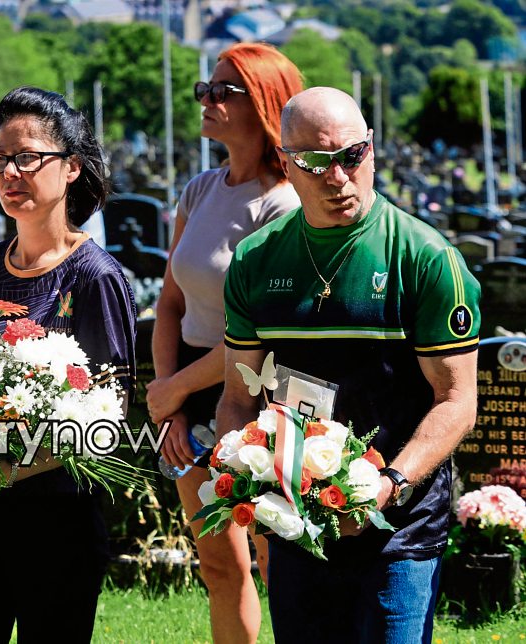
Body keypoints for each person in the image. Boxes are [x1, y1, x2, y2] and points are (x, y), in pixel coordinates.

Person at [219, 87, 480, 643]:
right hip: (299, 520)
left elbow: (457, 401)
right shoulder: (256, 260)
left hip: (400, 523)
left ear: (372, 152)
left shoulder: (427, 258)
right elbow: (239, 397)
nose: (336, 176)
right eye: (315, 162)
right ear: (287, 164)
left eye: (351, 156)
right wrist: (248, 489)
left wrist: (389, 485)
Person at [0, 86, 137, 643]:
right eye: (0, 160)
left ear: (71, 168)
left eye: (28, 157)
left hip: (53, 524)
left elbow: (112, 414)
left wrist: (12, 463)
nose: (11, 172)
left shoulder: (96, 277)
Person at [147, 42, 302, 644]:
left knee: (276, 557)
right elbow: (169, 304)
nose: (206, 100)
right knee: (218, 562)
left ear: (263, 103)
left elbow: (259, 337)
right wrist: (171, 401)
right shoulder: (199, 190)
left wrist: (171, 392)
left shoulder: (283, 204)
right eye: (204, 90)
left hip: (257, 390)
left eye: (222, 91)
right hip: (185, 381)